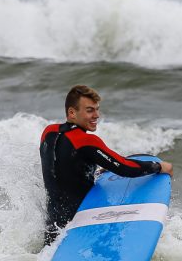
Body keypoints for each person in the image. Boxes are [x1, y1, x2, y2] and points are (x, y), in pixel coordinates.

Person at [39, 85, 174, 245]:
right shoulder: (85, 140)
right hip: (81, 225)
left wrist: (91, 169)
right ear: (72, 113)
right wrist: (158, 167)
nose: (96, 115)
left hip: (52, 225)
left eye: (97, 109)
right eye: (90, 110)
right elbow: (126, 168)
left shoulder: (49, 132)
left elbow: (63, 167)